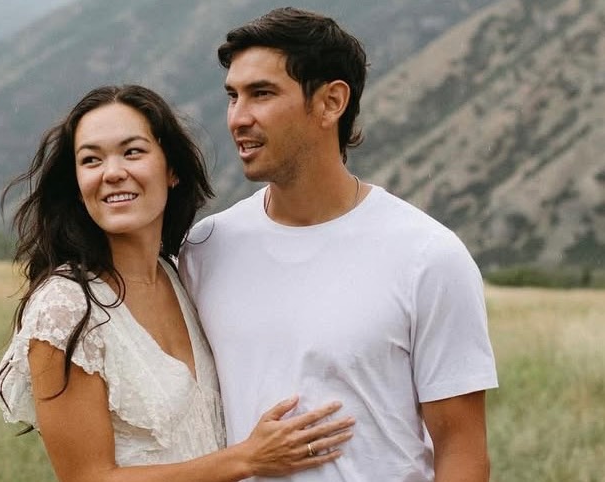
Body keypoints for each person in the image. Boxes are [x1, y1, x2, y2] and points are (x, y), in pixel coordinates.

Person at [179, 8, 498, 482]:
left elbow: (462, 452)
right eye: (232, 96)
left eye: (261, 94)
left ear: (330, 102)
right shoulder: (203, 248)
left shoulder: (428, 257)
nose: (238, 118)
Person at [0, 84, 355, 482]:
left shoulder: (183, 277)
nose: (113, 173)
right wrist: (247, 460)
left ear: (172, 170)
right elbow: (86, 478)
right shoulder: (65, 308)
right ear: (77, 187)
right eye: (91, 160)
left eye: (133, 152)